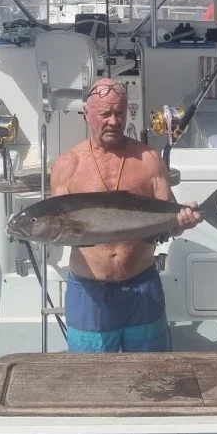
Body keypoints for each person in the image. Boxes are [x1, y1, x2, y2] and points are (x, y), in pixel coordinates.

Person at [50, 78, 204, 351]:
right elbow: (58, 228)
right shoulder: (67, 165)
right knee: (90, 372)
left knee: (151, 370)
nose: (114, 121)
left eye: (119, 113)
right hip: (89, 291)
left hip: (142, 286)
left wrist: (183, 222)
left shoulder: (149, 159)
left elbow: (168, 225)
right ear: (86, 113)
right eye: (105, 114)